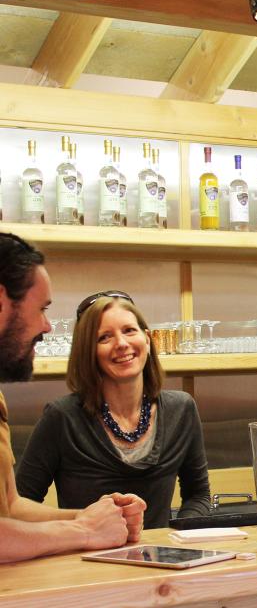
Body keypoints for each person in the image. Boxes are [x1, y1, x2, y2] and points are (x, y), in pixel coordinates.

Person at [0, 232, 143, 563]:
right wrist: (86, 532)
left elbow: (11, 508)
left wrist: (92, 518)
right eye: (41, 309)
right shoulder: (62, 415)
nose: (47, 326)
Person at [16, 291, 211, 529]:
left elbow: (198, 495)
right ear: (88, 353)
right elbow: (19, 506)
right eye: (104, 337)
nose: (121, 344)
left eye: (129, 330)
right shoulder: (62, 417)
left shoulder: (182, 410)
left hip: (161, 559)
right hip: (86, 560)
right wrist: (81, 522)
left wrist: (174, 539)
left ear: (148, 340)